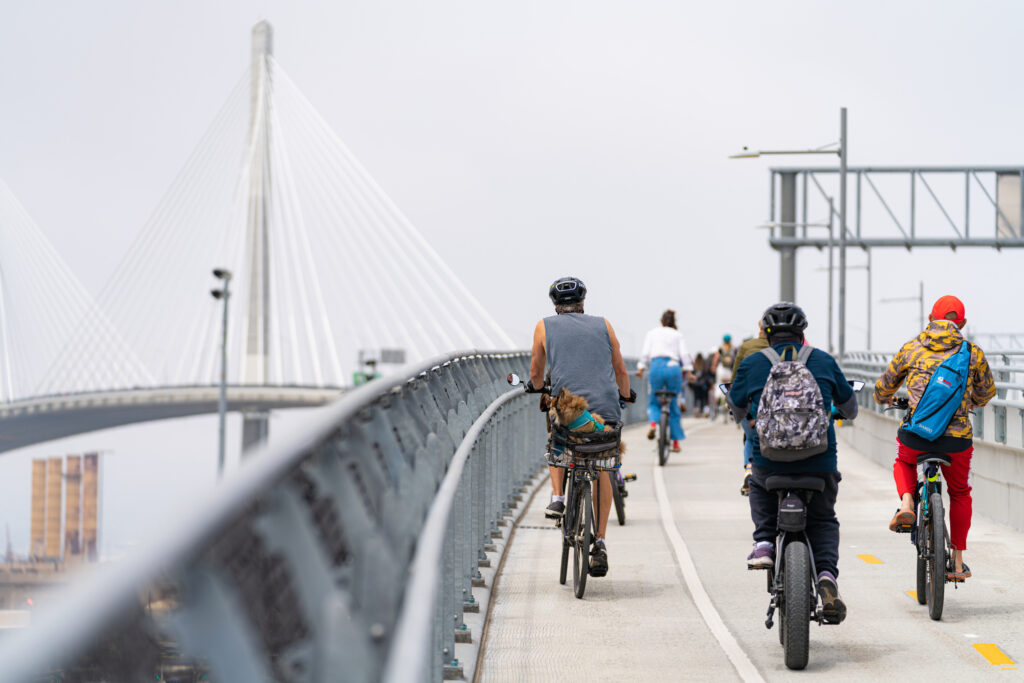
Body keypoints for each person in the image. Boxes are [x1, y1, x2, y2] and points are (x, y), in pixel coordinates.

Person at [727, 302, 857, 624]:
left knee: (757, 485)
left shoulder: (754, 363)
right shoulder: (824, 361)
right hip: (819, 463)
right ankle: (827, 577)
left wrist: (750, 417)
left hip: (770, 463)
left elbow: (737, 408)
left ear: (766, 334)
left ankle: (764, 543)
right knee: (824, 519)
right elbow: (850, 408)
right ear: (803, 333)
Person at [873, 295, 995, 581]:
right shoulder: (971, 352)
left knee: (904, 461)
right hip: (957, 440)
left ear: (930, 319)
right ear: (961, 323)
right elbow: (986, 393)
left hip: (918, 436)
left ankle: (906, 504)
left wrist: (886, 398)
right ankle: (957, 561)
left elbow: (883, 388)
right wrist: (970, 401)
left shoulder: (912, 348)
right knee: (960, 493)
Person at [530, 276, 635, 577]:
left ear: (555, 305)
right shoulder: (604, 324)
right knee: (602, 467)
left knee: (557, 433)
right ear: (583, 303)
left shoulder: (543, 326)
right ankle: (599, 541)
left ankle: (558, 498)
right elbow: (621, 370)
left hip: (570, 411)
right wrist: (625, 394)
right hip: (605, 413)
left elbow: (537, 372)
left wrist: (538, 387)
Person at [637, 310, 692, 453]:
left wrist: (641, 368)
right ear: (674, 321)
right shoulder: (677, 335)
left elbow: (645, 353)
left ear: (661, 320)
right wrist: (689, 371)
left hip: (656, 366)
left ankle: (654, 424)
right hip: (673, 367)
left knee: (655, 401)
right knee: (673, 404)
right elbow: (684, 354)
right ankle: (675, 443)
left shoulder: (652, 333)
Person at [732, 321, 770, 494]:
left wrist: (730, 400)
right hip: (779, 407)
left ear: (759, 328)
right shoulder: (783, 349)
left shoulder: (746, 347)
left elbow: (735, 379)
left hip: (750, 404)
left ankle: (749, 469)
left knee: (750, 437)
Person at [689, 352, 709, 417]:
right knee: (704, 398)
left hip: (695, 384)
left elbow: (691, 375)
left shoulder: (694, 365)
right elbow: (706, 374)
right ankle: (704, 411)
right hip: (703, 384)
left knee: (696, 398)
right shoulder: (704, 364)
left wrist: (690, 385)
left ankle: (696, 411)